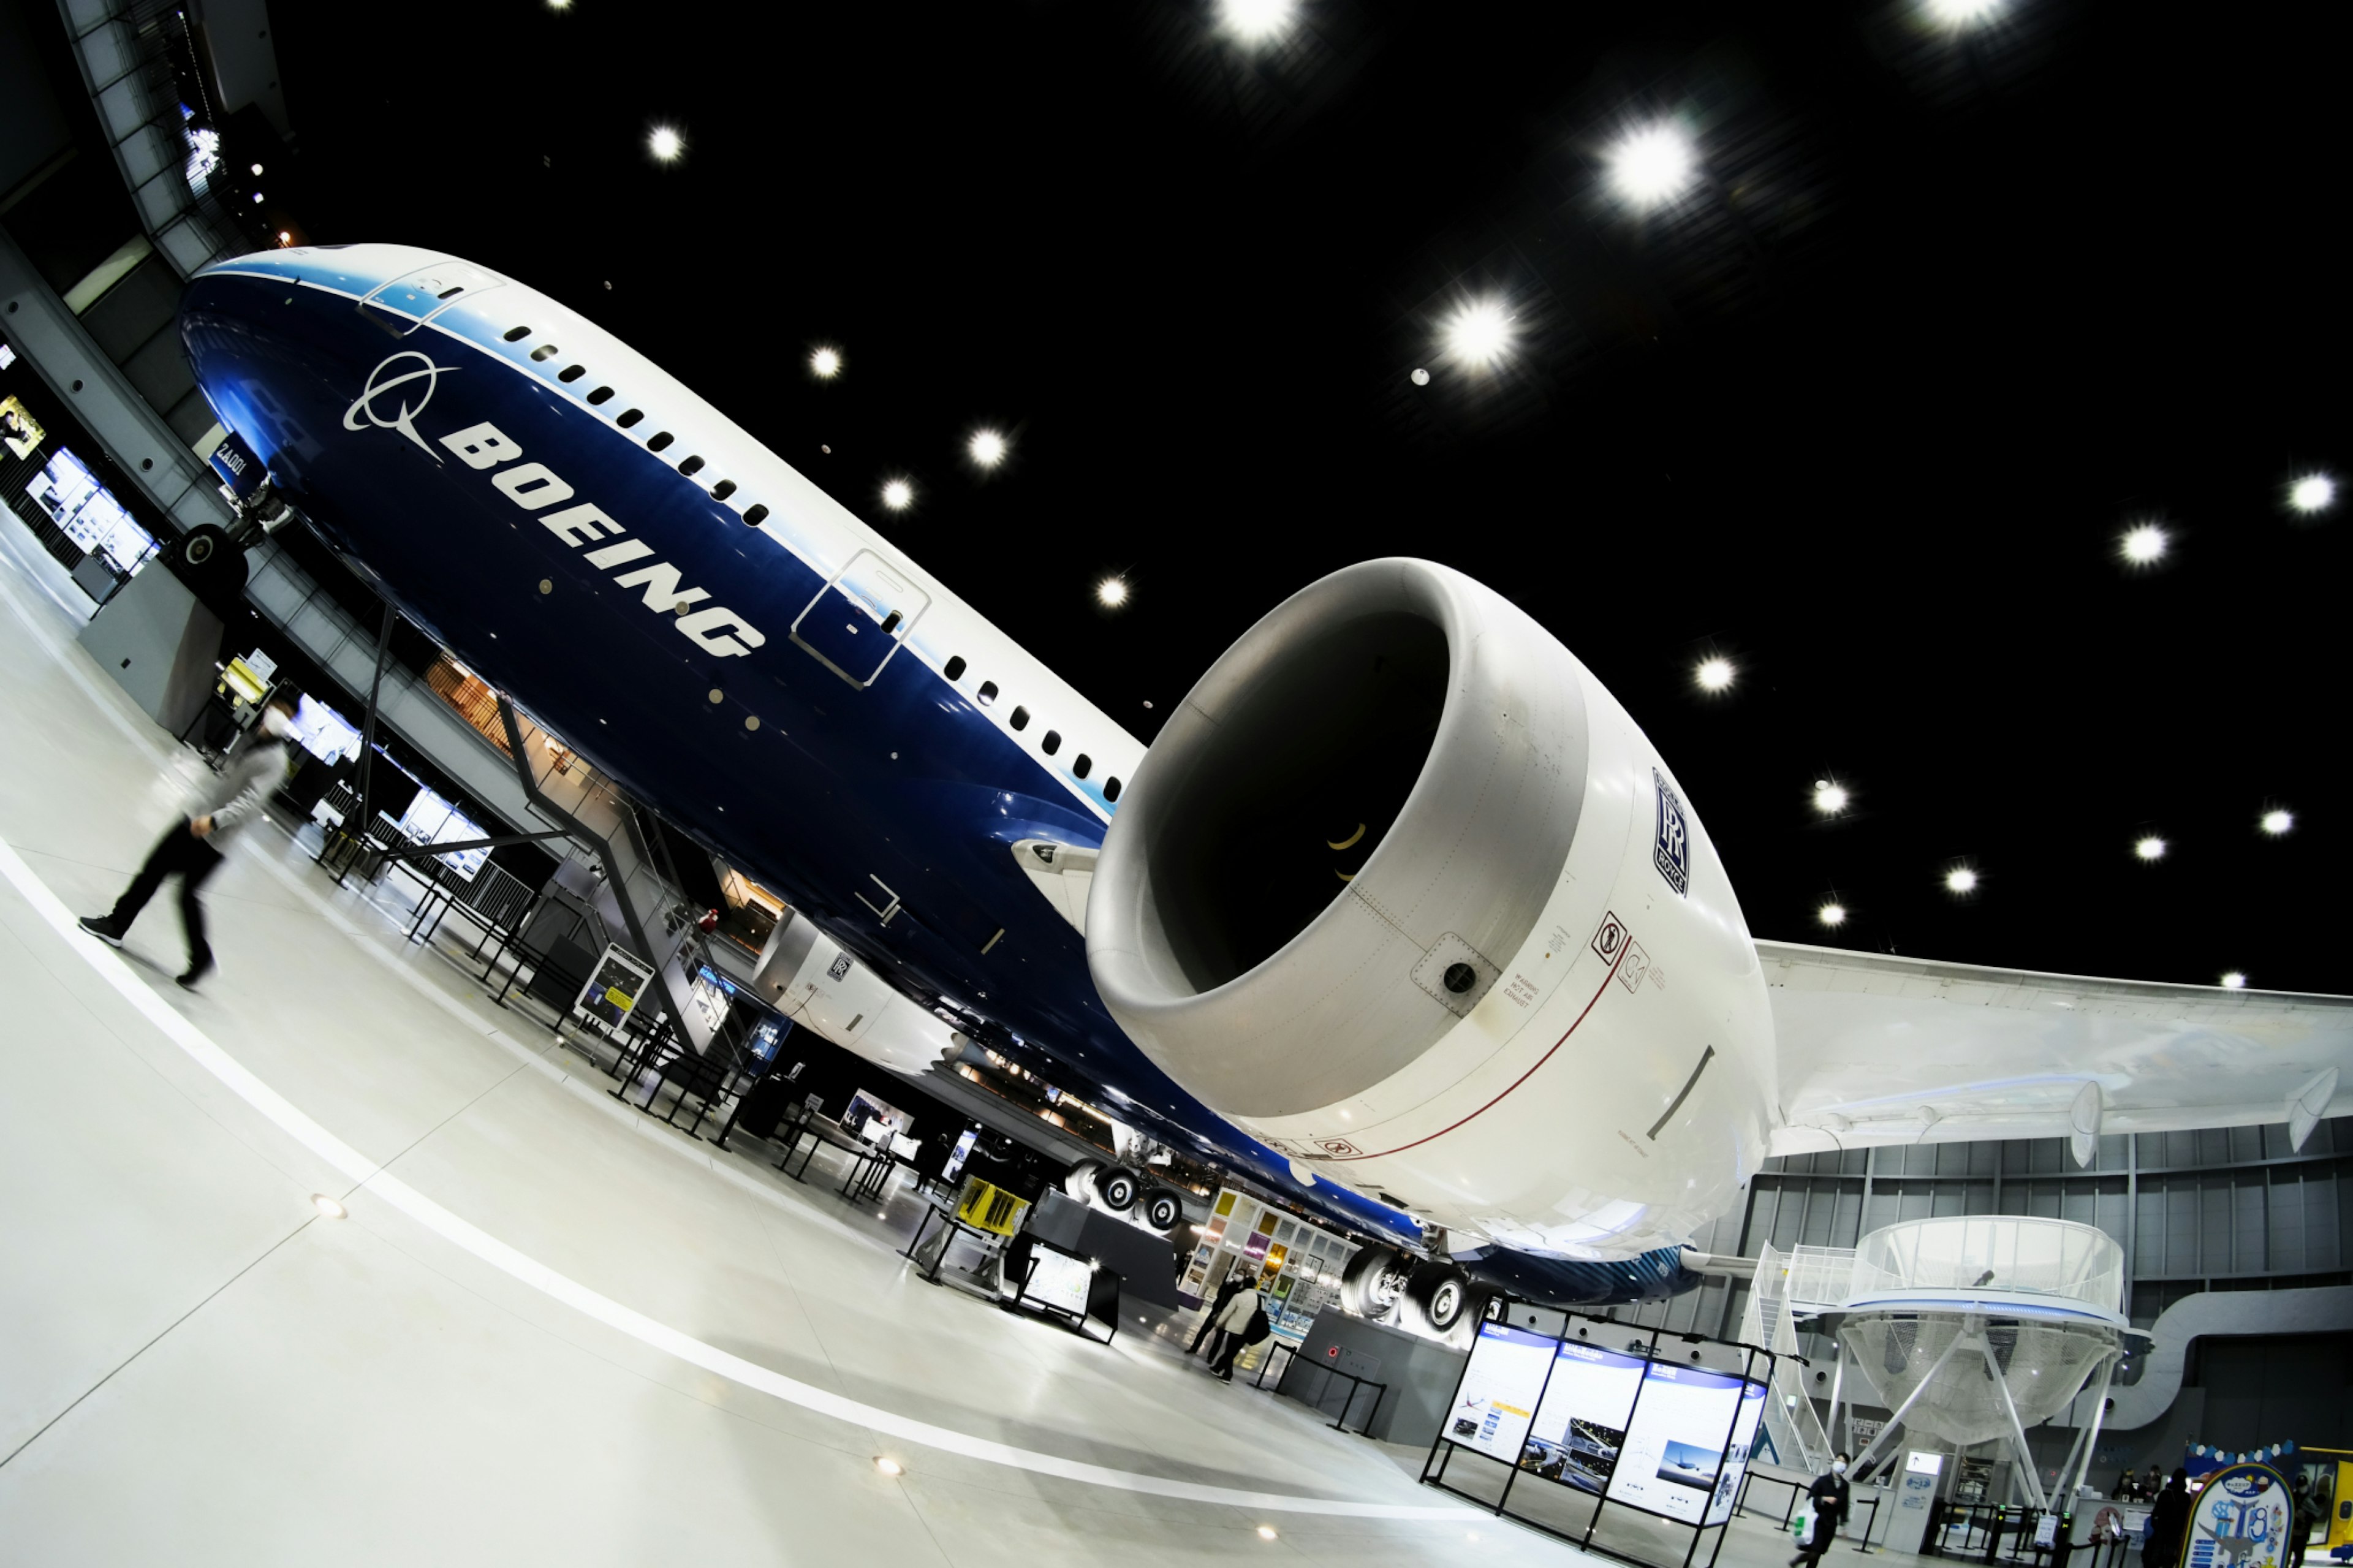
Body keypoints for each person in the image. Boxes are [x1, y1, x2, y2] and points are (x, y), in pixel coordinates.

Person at [80, 692, 298, 988]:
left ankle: (199, 957)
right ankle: (117, 926)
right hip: (196, 817)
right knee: (155, 871)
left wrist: (215, 821)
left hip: (214, 835)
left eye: (284, 713)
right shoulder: (253, 738)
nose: (276, 714)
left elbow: (250, 802)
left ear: (289, 722)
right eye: (275, 708)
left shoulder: (275, 760)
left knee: (186, 895)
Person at [1791, 1453, 1852, 1568]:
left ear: (1846, 1466)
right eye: (1838, 1460)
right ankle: (1796, 1562)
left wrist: (1844, 1526)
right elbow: (1810, 1497)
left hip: (1830, 1525)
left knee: (1818, 1554)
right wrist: (1824, 1499)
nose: (1840, 1463)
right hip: (1818, 1521)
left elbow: (1844, 1506)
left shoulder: (1845, 1486)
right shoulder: (1823, 1481)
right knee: (1815, 1551)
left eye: (1843, 1462)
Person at [1203, 1282, 1265, 1381]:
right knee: (1232, 1352)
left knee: (1229, 1353)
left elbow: (1228, 1311)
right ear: (1254, 1286)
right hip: (1248, 1331)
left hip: (1235, 1330)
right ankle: (1217, 1368)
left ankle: (1228, 1375)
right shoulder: (1261, 1300)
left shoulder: (1239, 1297)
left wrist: (1219, 1323)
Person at [1188, 1270, 1252, 1358]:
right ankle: (1194, 1348)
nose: (1239, 1275)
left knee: (1219, 1338)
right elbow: (1220, 1296)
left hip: (1227, 1316)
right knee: (1203, 1331)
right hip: (1216, 1312)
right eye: (1238, 1273)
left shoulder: (1241, 1291)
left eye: (1241, 1275)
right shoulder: (1227, 1285)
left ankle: (1211, 1357)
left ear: (1244, 1278)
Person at [2145, 1468, 2192, 1568]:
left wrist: (2156, 1525)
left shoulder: (2164, 1494)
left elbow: (2156, 1512)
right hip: (2176, 1532)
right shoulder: (2186, 1497)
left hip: (2161, 1530)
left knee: (2156, 1555)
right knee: (2169, 1557)